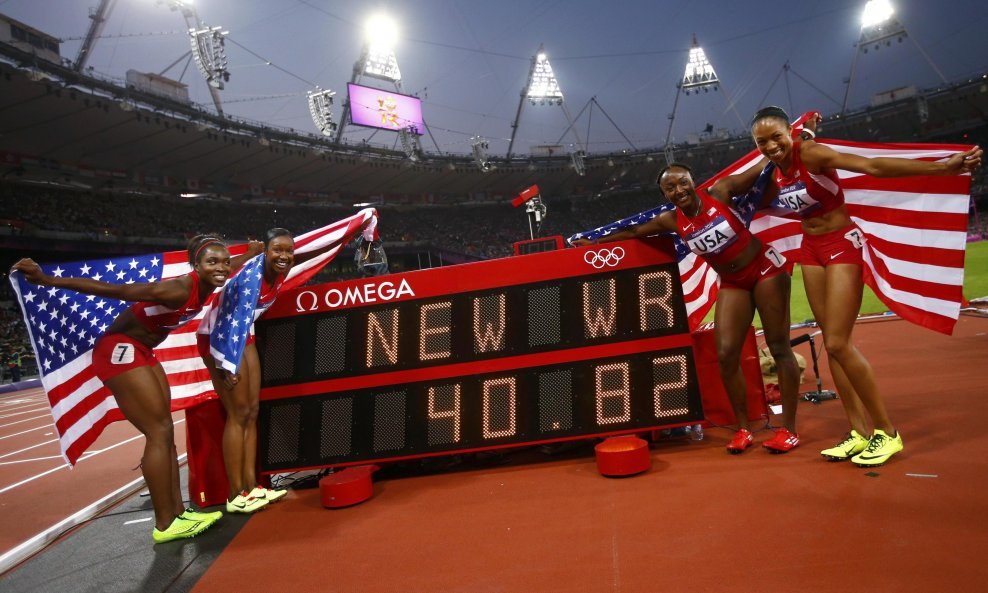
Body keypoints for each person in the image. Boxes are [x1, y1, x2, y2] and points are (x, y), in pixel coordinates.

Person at [712, 106, 982, 466]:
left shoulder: (811, 154)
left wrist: (943, 168)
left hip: (841, 243)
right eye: (762, 142)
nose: (771, 146)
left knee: (839, 342)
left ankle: (887, 433)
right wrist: (796, 136)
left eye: (776, 137)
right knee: (831, 340)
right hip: (810, 250)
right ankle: (858, 433)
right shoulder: (772, 171)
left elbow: (872, 167)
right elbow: (727, 188)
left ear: (788, 133)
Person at [11, 235, 258, 544]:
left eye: (224, 261)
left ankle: (179, 513)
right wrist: (47, 280)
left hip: (142, 350)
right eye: (212, 262)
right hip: (119, 350)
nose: (221, 267)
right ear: (195, 265)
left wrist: (248, 253)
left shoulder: (212, 277)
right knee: (157, 431)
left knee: (165, 429)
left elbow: (227, 266)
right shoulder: (178, 289)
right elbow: (116, 290)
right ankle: (165, 523)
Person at [573, 163, 802, 454]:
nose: (678, 190)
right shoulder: (671, 220)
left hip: (765, 269)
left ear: (692, 180)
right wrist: (593, 242)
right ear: (665, 194)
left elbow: (761, 169)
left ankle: (789, 429)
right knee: (726, 354)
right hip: (733, 282)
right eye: (670, 188)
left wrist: (787, 148)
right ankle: (744, 428)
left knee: (779, 347)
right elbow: (633, 232)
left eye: (682, 182)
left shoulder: (720, 192)